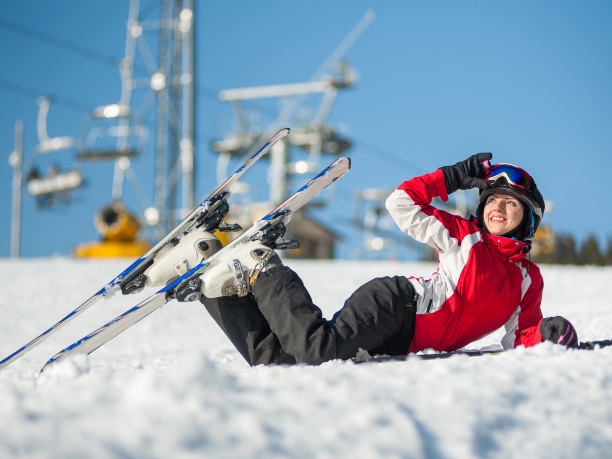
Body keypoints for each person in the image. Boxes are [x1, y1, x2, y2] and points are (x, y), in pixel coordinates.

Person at [197, 154, 578, 366]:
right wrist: (454, 177)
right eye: (493, 199)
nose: (499, 207)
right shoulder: (466, 237)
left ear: (527, 220)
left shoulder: (527, 279)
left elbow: (517, 338)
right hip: (396, 307)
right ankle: (265, 268)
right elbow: (401, 203)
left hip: (403, 342)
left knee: (279, 364)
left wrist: (545, 335)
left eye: (511, 203)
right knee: (318, 349)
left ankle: (213, 281)